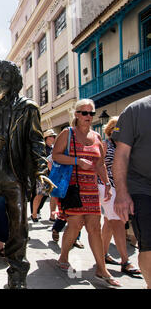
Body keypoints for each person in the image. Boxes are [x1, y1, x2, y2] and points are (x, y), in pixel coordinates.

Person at [0, 60, 54, 289]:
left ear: (14, 81)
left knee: (18, 224)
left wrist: (41, 172)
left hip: (14, 173)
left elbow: (36, 142)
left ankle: (17, 270)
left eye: (6, 75)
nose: (0, 78)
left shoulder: (28, 108)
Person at [53, 99, 121, 287]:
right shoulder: (68, 133)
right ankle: (63, 257)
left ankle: (101, 269)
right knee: (75, 226)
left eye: (91, 113)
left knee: (94, 227)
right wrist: (77, 161)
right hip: (73, 188)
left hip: (91, 189)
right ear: (76, 114)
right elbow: (56, 156)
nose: (88, 117)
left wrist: (106, 183)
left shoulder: (96, 137)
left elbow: (100, 163)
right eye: (84, 113)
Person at [112, 95, 151, 289]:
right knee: (149, 246)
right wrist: (121, 193)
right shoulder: (135, 110)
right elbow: (121, 155)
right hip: (143, 188)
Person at [99, 116, 141, 277]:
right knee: (117, 221)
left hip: (122, 187)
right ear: (112, 130)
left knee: (110, 222)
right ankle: (125, 261)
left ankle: (102, 255)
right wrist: (107, 185)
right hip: (107, 186)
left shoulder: (127, 146)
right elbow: (99, 165)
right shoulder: (106, 144)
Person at [31, 129, 57, 222]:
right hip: (44, 175)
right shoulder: (42, 148)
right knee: (40, 195)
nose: (53, 138)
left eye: (54, 136)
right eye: (51, 136)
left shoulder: (54, 148)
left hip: (53, 175)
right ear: (46, 138)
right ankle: (34, 214)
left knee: (54, 196)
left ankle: (52, 216)